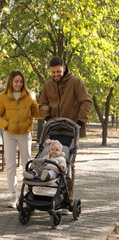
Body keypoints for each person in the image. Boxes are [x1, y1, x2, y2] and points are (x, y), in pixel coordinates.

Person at [39, 56, 92, 204]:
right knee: (50, 162)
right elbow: (42, 103)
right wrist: (48, 118)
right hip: (54, 130)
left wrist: (80, 122)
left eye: (58, 71)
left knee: (68, 164)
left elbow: (86, 102)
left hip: (71, 130)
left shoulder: (76, 82)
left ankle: (68, 198)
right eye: (53, 72)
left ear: (64, 68)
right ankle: (56, 195)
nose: (55, 75)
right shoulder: (47, 85)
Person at [0, 70, 43, 208]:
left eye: (21, 81)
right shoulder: (3, 97)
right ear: (11, 82)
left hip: (25, 134)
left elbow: (36, 113)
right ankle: (13, 196)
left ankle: (28, 192)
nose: (19, 84)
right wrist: (6, 125)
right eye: (16, 81)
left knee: (27, 164)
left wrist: (46, 109)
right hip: (9, 134)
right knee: (10, 165)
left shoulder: (29, 96)